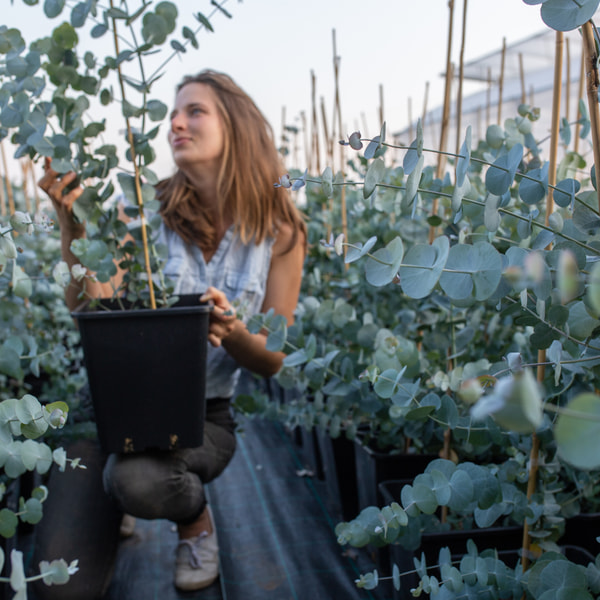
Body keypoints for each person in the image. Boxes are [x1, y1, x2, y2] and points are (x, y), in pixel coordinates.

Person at [39, 69, 307, 592]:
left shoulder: (280, 232)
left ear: (236, 125)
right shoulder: (141, 212)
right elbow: (91, 304)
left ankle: (192, 520)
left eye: (194, 111)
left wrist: (232, 331)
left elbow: (274, 358)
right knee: (59, 587)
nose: (175, 123)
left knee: (137, 479)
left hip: (201, 416)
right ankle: (116, 500)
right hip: (113, 406)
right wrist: (72, 224)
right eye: (173, 113)